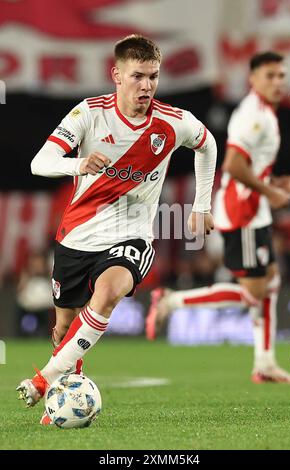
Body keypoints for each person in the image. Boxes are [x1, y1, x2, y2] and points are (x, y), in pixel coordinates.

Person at [17, 34, 217, 421]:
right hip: (77, 235)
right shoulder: (89, 114)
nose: (146, 86)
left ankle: (44, 381)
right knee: (62, 328)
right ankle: (67, 391)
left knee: (108, 293)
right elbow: (39, 163)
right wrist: (77, 165)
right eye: (138, 76)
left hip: (132, 235)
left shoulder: (173, 123)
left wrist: (203, 204)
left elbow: (207, 145)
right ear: (116, 75)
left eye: (153, 77)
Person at [146, 51, 290, 384]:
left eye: (281, 75)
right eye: (270, 76)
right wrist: (270, 192)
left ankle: (265, 363)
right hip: (242, 211)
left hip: (253, 208)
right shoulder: (254, 117)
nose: (278, 82)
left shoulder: (266, 114)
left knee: (270, 281)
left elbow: (249, 168)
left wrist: (272, 183)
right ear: (253, 78)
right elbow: (232, 165)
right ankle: (172, 299)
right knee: (251, 294)